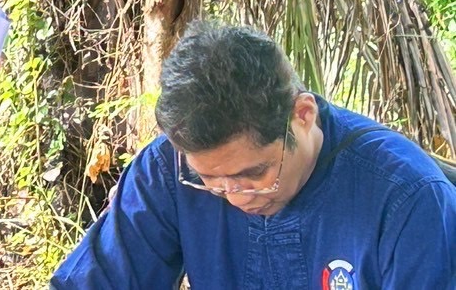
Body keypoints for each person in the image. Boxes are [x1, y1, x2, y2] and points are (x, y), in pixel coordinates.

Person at [51, 21, 456, 289]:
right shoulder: (167, 170)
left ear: (302, 115)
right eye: (209, 181)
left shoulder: (409, 198)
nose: (236, 197)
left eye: (255, 174)